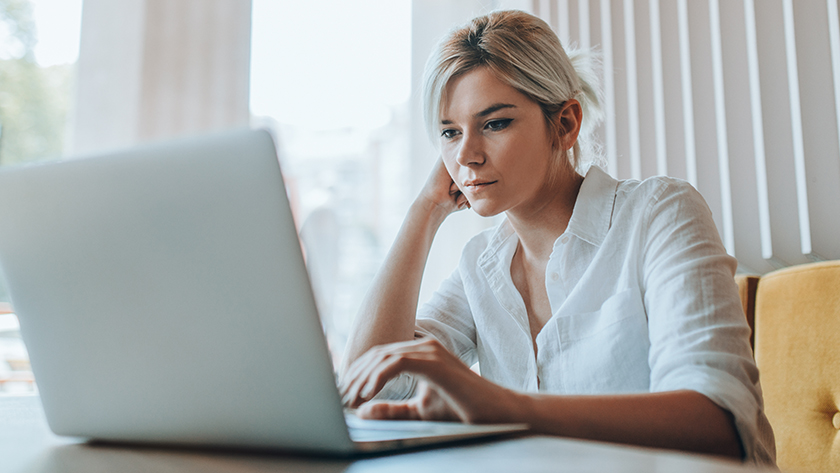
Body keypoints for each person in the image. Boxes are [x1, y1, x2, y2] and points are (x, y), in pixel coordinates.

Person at [339, 10, 775, 465]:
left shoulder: (659, 214)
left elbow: (719, 425)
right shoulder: (481, 266)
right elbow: (369, 381)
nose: (465, 155)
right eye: (450, 132)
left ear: (565, 125)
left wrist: (498, 407)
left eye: (494, 123)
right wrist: (425, 210)